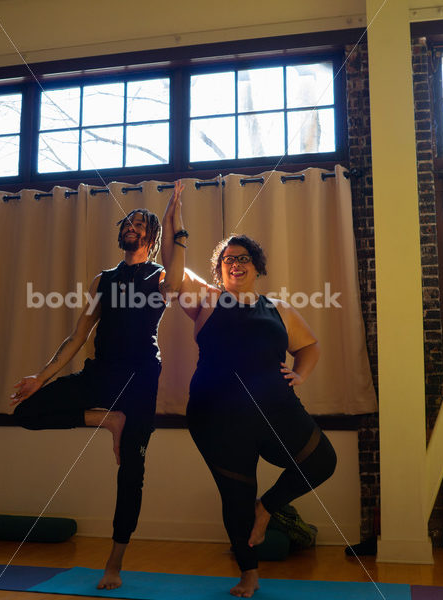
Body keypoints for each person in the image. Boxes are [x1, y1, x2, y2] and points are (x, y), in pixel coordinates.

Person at [11, 181, 185, 591]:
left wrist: (178, 222)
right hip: (100, 372)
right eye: (127, 221)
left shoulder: (161, 276)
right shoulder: (103, 280)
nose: (130, 225)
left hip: (141, 378)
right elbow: (77, 337)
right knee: (27, 412)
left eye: (140, 223)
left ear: (153, 238)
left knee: (131, 472)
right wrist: (41, 376)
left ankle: (114, 563)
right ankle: (108, 422)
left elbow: (177, 275)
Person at [161, 228, 337, 598]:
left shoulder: (278, 309)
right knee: (235, 496)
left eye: (243, 258)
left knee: (321, 460)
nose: (236, 264)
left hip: (276, 409)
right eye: (228, 259)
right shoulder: (207, 300)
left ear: (257, 266)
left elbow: (310, 347)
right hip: (217, 416)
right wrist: (174, 227)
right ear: (219, 270)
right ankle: (249, 575)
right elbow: (173, 275)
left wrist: (300, 374)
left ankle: (267, 508)